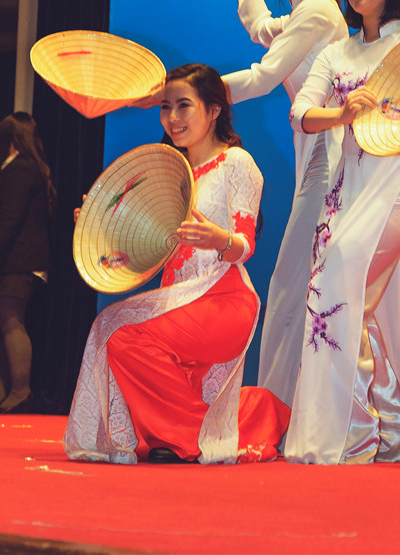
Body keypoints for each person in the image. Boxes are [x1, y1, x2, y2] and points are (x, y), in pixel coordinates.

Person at [64, 64, 289, 464]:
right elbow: (141, 246)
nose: (172, 117)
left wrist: (219, 239)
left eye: (184, 106)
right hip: (177, 300)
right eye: (165, 107)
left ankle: (188, 436)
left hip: (223, 298)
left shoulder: (236, 163)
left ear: (214, 110)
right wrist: (98, 223)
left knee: (120, 332)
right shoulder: (168, 172)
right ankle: (249, 414)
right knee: (113, 331)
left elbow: (244, 245)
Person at [284, 0, 400, 465]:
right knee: (349, 304)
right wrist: (342, 115)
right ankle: (393, 433)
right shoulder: (336, 53)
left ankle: (361, 432)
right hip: (347, 189)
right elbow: (300, 114)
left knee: (337, 289)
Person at [222, 0, 348, 409]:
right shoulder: (305, 10)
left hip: (330, 156)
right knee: (309, 283)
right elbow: (260, 28)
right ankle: (299, 407)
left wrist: (192, 92)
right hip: (319, 152)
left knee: (295, 282)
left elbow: (264, 76)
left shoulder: (316, 10)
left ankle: (279, 407)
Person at [0, 112, 55, 414]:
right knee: (7, 323)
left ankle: (20, 391)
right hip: (21, 259)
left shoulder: (20, 168)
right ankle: (2, 392)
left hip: (17, 260)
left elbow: (9, 217)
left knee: (10, 322)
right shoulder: (29, 167)